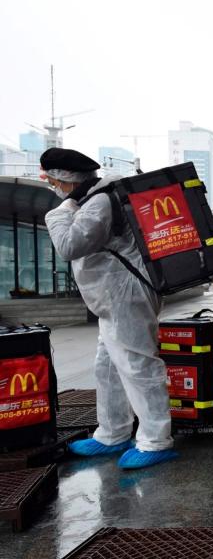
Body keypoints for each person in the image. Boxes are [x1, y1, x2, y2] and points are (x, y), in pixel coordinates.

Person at [42, 147, 177, 470]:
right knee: (109, 368)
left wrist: (59, 214)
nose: (52, 187)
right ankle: (112, 433)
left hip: (125, 295)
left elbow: (70, 245)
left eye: (51, 180)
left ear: (64, 179)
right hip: (111, 299)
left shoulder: (98, 202)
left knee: (137, 365)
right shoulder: (95, 198)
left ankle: (156, 440)